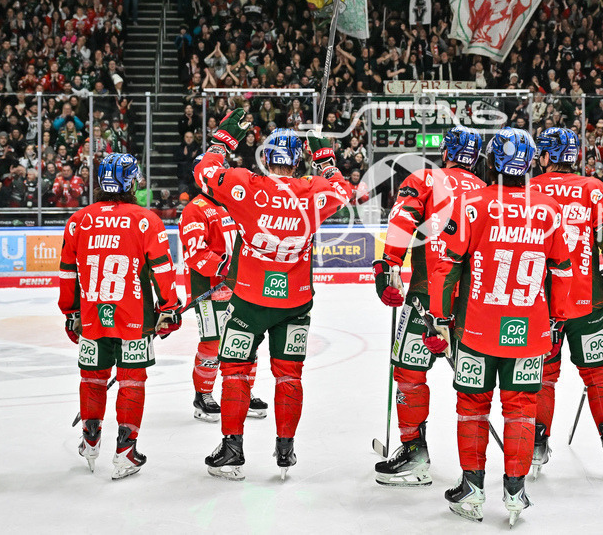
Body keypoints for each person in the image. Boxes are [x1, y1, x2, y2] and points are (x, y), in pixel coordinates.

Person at [194, 109, 352, 480]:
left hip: (249, 300)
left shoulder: (247, 183)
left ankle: (233, 448)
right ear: (298, 162)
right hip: (295, 302)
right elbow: (344, 190)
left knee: (234, 370)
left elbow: (204, 171)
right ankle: (285, 448)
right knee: (289, 374)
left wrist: (222, 141)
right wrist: (326, 160)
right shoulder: (313, 190)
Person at [429, 127, 573, 526]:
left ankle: (472, 487)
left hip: (477, 330)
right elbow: (562, 270)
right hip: (530, 331)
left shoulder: (472, 205)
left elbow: (448, 265)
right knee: (522, 409)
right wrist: (558, 318)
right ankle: (516, 488)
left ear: (491, 163)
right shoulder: (547, 209)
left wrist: (441, 315)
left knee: (472, 407)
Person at [371, 126, 485, 487]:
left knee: (408, 370)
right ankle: (476, 470)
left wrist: (388, 267)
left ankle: (414, 451)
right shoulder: (486, 192)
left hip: (426, 292)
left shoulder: (427, 178)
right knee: (471, 381)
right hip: (471, 300)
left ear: (447, 152)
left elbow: (402, 220)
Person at [57, 153, 180, 479]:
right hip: (135, 318)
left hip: (92, 316)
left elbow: (68, 274)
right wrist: (169, 308)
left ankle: (90, 439)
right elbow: (162, 269)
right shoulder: (145, 220)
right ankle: (126, 451)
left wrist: (70, 313)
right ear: (132, 182)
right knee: (131, 380)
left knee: (92, 379)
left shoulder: (79, 220)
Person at [528, 127, 603, 479]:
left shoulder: (531, 190)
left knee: (543, 375)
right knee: (599, 373)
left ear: (546, 156)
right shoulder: (594, 189)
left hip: (541, 303)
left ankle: (536, 445)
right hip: (587, 304)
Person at [180, 155, 267, 422]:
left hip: (241, 287)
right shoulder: (195, 208)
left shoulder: (233, 203)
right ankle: (203, 393)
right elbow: (195, 252)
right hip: (210, 288)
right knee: (212, 343)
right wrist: (223, 269)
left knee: (246, 340)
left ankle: (244, 391)